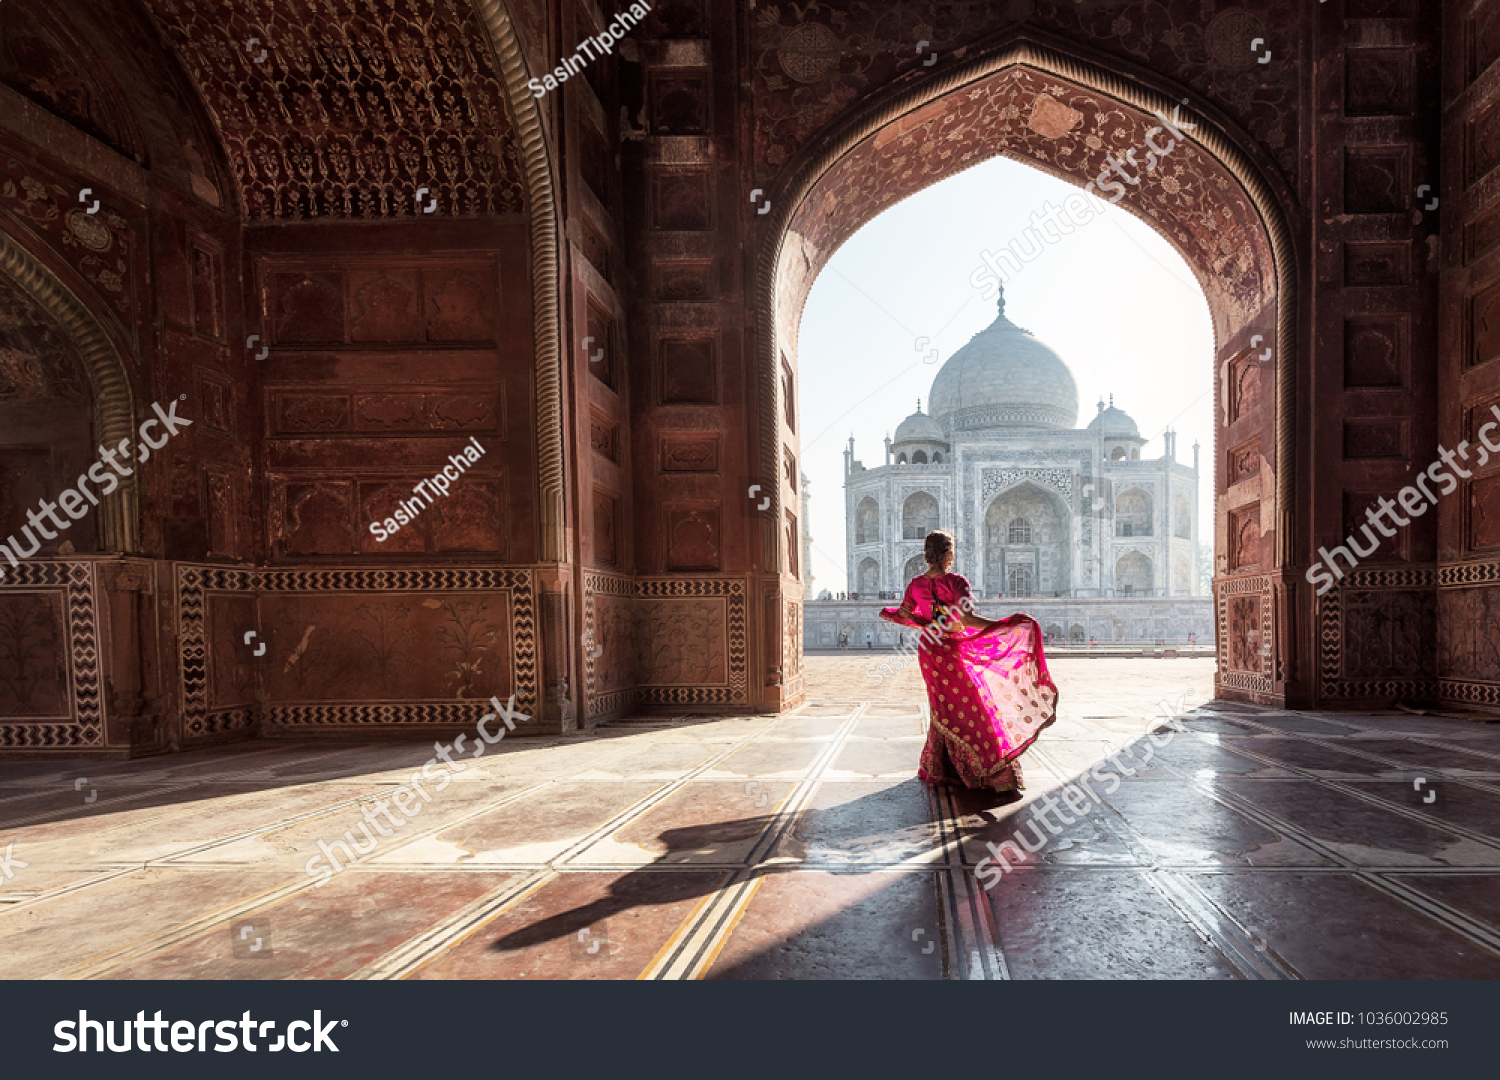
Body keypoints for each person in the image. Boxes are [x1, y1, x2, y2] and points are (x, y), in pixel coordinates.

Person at [879, 529, 1058, 793]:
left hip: (929, 650)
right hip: (951, 648)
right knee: (973, 703)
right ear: (948, 554)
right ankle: (986, 769)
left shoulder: (916, 584)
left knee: (944, 708)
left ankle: (942, 767)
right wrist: (1003, 626)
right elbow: (968, 621)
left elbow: (905, 615)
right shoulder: (956, 581)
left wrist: (926, 624)